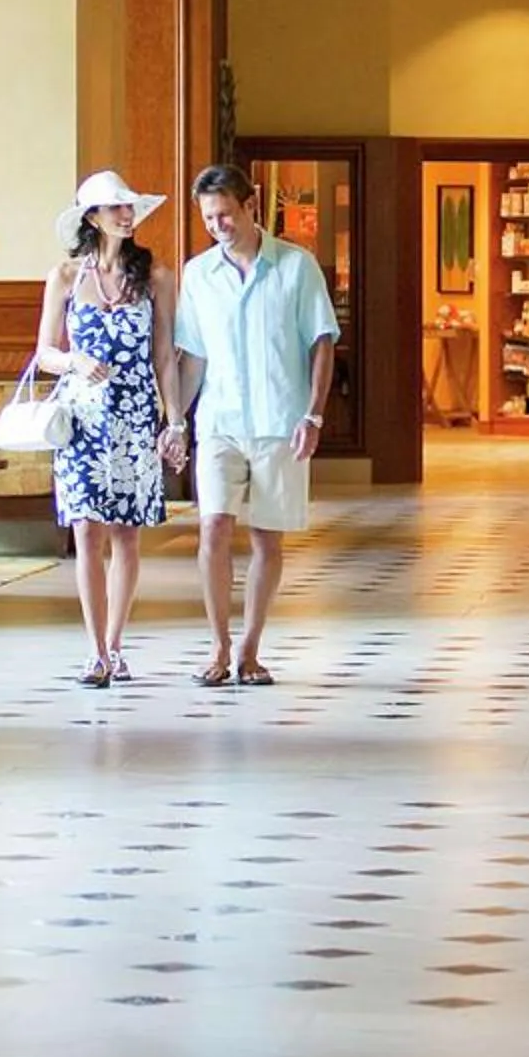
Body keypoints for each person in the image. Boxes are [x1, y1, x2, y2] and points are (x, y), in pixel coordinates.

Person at [169, 162, 339, 689]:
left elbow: (322, 342)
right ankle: (218, 647)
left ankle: (250, 649)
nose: (217, 225)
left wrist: (314, 413)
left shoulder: (296, 266)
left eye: (224, 214)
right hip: (218, 421)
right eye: (208, 218)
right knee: (213, 526)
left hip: (280, 422)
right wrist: (176, 422)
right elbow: (191, 357)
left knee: (267, 538)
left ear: (252, 204)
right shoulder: (198, 275)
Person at [36, 169, 178, 688]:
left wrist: (175, 419)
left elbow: (164, 354)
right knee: (86, 530)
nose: (126, 214)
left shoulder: (156, 277)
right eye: (115, 207)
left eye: (129, 207)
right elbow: (44, 353)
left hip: (135, 414)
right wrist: (75, 363)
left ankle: (117, 646)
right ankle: (94, 650)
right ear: (92, 218)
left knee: (126, 533)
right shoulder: (66, 278)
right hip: (82, 418)